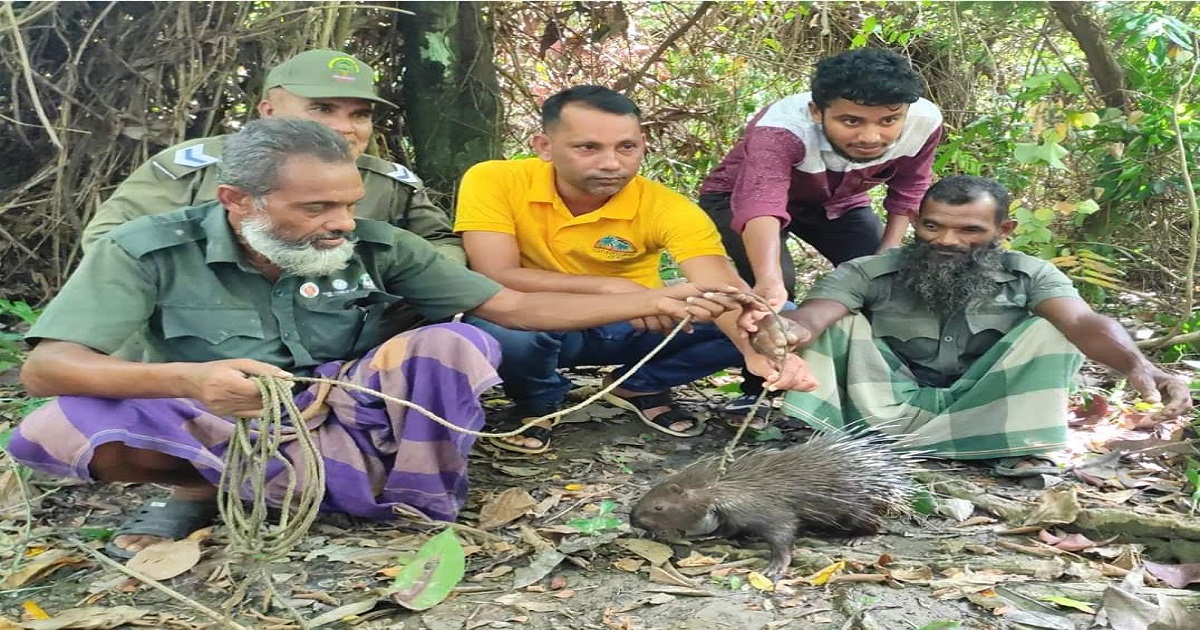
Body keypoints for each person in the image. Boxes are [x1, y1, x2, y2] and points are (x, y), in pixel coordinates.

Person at [6, 118, 755, 558]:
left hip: (348, 412)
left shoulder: (375, 243)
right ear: (238, 201)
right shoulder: (148, 247)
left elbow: (508, 305)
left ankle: (409, 499)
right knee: (57, 424)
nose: (340, 222)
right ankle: (202, 486)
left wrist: (658, 298)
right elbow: (47, 369)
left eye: (349, 203)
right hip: (219, 410)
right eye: (316, 207)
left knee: (462, 343)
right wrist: (187, 381)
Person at [454, 85, 814, 454]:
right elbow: (494, 273)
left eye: (626, 147)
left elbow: (720, 284)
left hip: (635, 323)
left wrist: (753, 349)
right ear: (544, 147)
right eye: (587, 148)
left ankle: (639, 383)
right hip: (542, 320)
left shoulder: (665, 206)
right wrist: (610, 288)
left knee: (770, 315)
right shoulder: (495, 180)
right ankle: (538, 402)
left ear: (643, 143)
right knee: (499, 325)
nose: (611, 163)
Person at [743, 175, 1192, 468]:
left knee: (1052, 329)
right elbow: (814, 316)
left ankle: (1013, 448)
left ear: (1005, 231)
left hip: (984, 407)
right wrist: (783, 330)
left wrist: (1139, 366)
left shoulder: (1030, 273)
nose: (947, 241)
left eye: (970, 231)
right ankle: (832, 441)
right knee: (840, 325)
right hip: (882, 407)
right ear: (916, 222)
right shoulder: (868, 271)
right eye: (933, 227)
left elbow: (1083, 322)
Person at [699, 48, 944, 414]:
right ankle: (762, 391)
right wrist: (769, 279)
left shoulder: (925, 121)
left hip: (839, 199)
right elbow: (761, 203)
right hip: (739, 195)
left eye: (889, 121)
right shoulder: (780, 130)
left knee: (881, 280)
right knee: (772, 289)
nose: (871, 136)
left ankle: (877, 386)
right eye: (851, 122)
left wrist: (887, 252)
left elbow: (910, 187)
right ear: (817, 112)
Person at [83, 49, 464, 263]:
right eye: (322, 109)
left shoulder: (389, 182)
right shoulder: (199, 167)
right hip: (205, 338)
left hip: (347, 333)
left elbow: (444, 244)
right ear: (269, 111)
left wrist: (397, 275)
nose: (344, 128)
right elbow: (108, 242)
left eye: (359, 114)